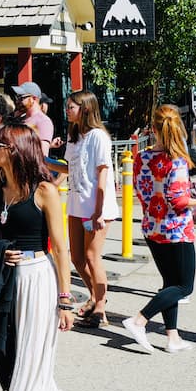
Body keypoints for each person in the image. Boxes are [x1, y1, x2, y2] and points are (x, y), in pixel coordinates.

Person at [0, 123, 79, 391]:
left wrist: (65, 301)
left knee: (33, 359)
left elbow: (62, 248)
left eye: (0, 144)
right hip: (8, 283)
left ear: (18, 149)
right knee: (17, 354)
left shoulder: (44, 191)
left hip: (39, 279)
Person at [124, 104, 196, 353]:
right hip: (176, 230)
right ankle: (139, 320)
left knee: (170, 283)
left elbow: (140, 191)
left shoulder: (142, 157)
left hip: (153, 227)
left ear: (153, 129)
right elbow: (179, 200)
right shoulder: (177, 162)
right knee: (184, 287)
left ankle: (173, 337)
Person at [62, 89, 117, 328]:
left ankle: (101, 307)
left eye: (71, 107)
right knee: (77, 257)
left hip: (95, 206)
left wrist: (98, 210)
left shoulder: (98, 137)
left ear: (84, 109)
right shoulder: (74, 136)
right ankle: (94, 296)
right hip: (76, 204)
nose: (67, 111)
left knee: (93, 256)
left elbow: (102, 172)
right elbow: (69, 169)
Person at [13, 81, 54, 156]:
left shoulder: (43, 121)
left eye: (21, 98)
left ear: (34, 98)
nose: (17, 101)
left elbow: (42, 154)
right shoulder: (19, 119)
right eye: (17, 97)